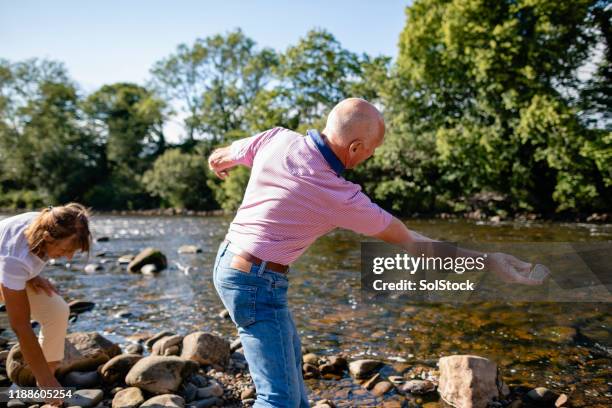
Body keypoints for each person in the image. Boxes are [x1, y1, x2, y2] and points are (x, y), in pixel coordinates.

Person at [208, 98, 545, 408]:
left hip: (230, 263)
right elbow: (413, 242)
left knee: (291, 372)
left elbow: (227, 154)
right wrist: (487, 260)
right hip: (256, 282)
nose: (372, 156)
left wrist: (217, 160)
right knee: (277, 399)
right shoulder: (337, 194)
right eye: (372, 149)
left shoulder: (277, 138)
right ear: (355, 147)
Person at [0, 203, 92, 406]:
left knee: (57, 311)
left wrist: (34, 275)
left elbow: (30, 252)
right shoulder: (15, 259)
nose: (68, 257)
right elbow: (21, 326)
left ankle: (44, 388)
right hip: (7, 270)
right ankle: (45, 383)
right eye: (67, 249)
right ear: (49, 238)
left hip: (10, 271)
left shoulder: (51, 222)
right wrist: (46, 381)